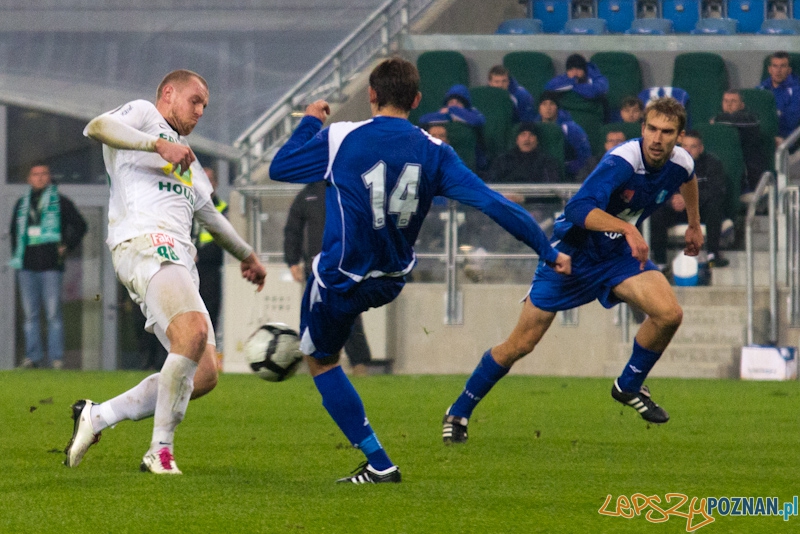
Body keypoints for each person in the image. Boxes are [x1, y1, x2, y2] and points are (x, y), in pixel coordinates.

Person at [269, 57, 570, 484]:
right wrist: (547, 250)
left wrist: (310, 122)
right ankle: (376, 460)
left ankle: (379, 463)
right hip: (390, 280)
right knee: (327, 346)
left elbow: (281, 167)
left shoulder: (341, 138)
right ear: (416, 100)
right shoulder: (436, 151)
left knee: (320, 360)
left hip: (341, 277)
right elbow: (492, 203)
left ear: (371, 95)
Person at [442, 97, 703, 444]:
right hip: (570, 256)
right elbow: (579, 208)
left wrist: (694, 224)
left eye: (666, 132)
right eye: (651, 129)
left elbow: (689, 179)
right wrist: (628, 228)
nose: (657, 138)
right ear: (642, 128)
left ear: (679, 136)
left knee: (669, 314)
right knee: (521, 344)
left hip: (616, 256)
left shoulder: (681, 161)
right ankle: (458, 412)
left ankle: (628, 385)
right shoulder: (624, 162)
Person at [63, 69, 266, 475]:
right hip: (144, 243)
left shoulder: (188, 157)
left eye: (205, 105)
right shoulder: (142, 115)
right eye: (195, 100)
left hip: (180, 260)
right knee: (192, 333)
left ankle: (98, 416)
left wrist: (247, 255)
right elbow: (96, 126)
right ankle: (160, 450)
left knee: (204, 373)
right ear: (168, 94)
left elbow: (210, 216)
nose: (200, 111)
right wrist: (157, 144)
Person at [284, 181, 373, 377]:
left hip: (345, 264)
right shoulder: (307, 194)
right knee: (315, 314)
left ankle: (359, 364)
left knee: (349, 313)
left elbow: (365, 225)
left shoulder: (347, 189)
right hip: (316, 267)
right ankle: (315, 361)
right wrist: (292, 260)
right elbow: (293, 228)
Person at [9, 164, 87, 370]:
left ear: (50, 177)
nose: (40, 178)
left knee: (53, 315)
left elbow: (81, 225)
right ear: (29, 179)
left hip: (51, 266)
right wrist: (18, 254)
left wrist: (66, 246)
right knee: (30, 316)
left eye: (44, 174)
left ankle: (56, 359)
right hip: (26, 267)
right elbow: (13, 232)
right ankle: (32, 357)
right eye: (36, 174)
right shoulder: (22, 204)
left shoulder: (61, 202)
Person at [650, 130, 729, 269]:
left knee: (714, 205)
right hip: (676, 211)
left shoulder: (712, 163)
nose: (688, 150)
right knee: (656, 210)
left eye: (693, 146)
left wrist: (688, 200)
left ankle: (712, 255)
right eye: (685, 146)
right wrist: (670, 201)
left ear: (701, 148)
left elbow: (716, 190)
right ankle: (660, 262)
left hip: (699, 211)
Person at [711, 89, 770, 196]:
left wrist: (715, 120)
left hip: (748, 170)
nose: (728, 105)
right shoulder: (719, 121)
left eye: (733, 101)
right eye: (725, 101)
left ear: (742, 105)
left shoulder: (750, 119)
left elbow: (732, 120)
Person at [418, 84, 487, 170]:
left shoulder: (473, 113)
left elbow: (478, 120)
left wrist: (453, 110)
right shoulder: (443, 114)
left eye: (458, 103)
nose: (454, 105)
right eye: (451, 103)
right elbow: (423, 119)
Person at [194, 166, 228, 333]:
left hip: (210, 273)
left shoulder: (223, 209)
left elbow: (223, 245)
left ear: (216, 183)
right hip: (188, 271)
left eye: (209, 180)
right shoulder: (189, 206)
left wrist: (199, 255)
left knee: (208, 324)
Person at [534, 91, 592, 179]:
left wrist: (567, 167)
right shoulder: (533, 128)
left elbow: (584, 156)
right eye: (544, 104)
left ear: (557, 107)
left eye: (552, 104)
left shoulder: (572, 129)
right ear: (539, 108)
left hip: (568, 176)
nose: (548, 108)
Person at [758, 51, 800, 144]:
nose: (778, 70)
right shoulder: (761, 89)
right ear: (769, 69)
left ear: (789, 70)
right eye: (775, 66)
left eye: (783, 66)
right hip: (763, 136)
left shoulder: (796, 90)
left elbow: (790, 122)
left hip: (787, 138)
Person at [544, 54, 608, 100]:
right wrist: (574, 81)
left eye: (578, 69)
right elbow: (548, 87)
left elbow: (594, 91)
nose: (574, 72)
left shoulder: (596, 77)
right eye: (571, 69)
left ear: (584, 70)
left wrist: (575, 84)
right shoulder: (565, 78)